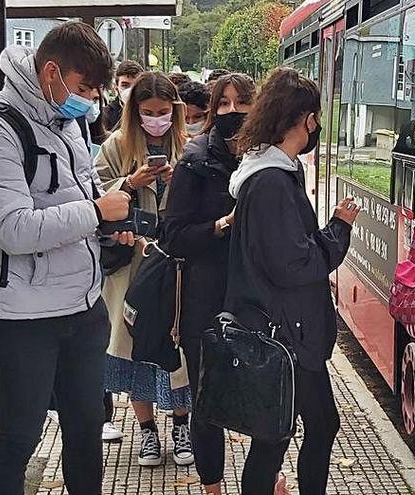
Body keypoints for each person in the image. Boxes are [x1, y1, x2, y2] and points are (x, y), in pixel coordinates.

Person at [0, 22, 132, 494]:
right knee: (19, 438)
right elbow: (12, 230)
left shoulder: (69, 122)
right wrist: (96, 211)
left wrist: (111, 227)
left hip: (82, 303)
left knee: (87, 428)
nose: (90, 100)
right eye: (84, 87)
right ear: (51, 71)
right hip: (21, 315)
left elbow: (80, 195)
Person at [225, 67, 361, 495]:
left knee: (295, 430)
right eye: (315, 117)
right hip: (285, 334)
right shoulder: (270, 182)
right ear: (306, 118)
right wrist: (338, 227)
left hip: (287, 331)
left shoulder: (270, 173)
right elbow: (294, 264)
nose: (316, 126)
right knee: (283, 434)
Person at [163, 72, 256, 495]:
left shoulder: (269, 159)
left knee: (261, 389)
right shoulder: (194, 159)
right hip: (205, 298)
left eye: (241, 103)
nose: (232, 111)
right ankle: (212, 485)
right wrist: (220, 226)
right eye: (223, 103)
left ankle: (266, 474)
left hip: (257, 299)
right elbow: (172, 234)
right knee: (207, 399)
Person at [95, 72, 193, 467]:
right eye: (148, 112)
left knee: (178, 343)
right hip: (131, 265)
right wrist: (130, 181)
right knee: (135, 344)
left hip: (176, 267)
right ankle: (147, 431)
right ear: (134, 111)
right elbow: (93, 196)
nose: (156, 119)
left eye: (164, 112)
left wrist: (178, 179)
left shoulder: (187, 147)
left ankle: (182, 426)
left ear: (176, 112)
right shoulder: (116, 146)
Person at [102, 60, 144, 131]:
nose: (130, 90)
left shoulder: (148, 113)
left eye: (136, 85)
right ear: (116, 87)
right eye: (125, 85)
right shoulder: (106, 115)